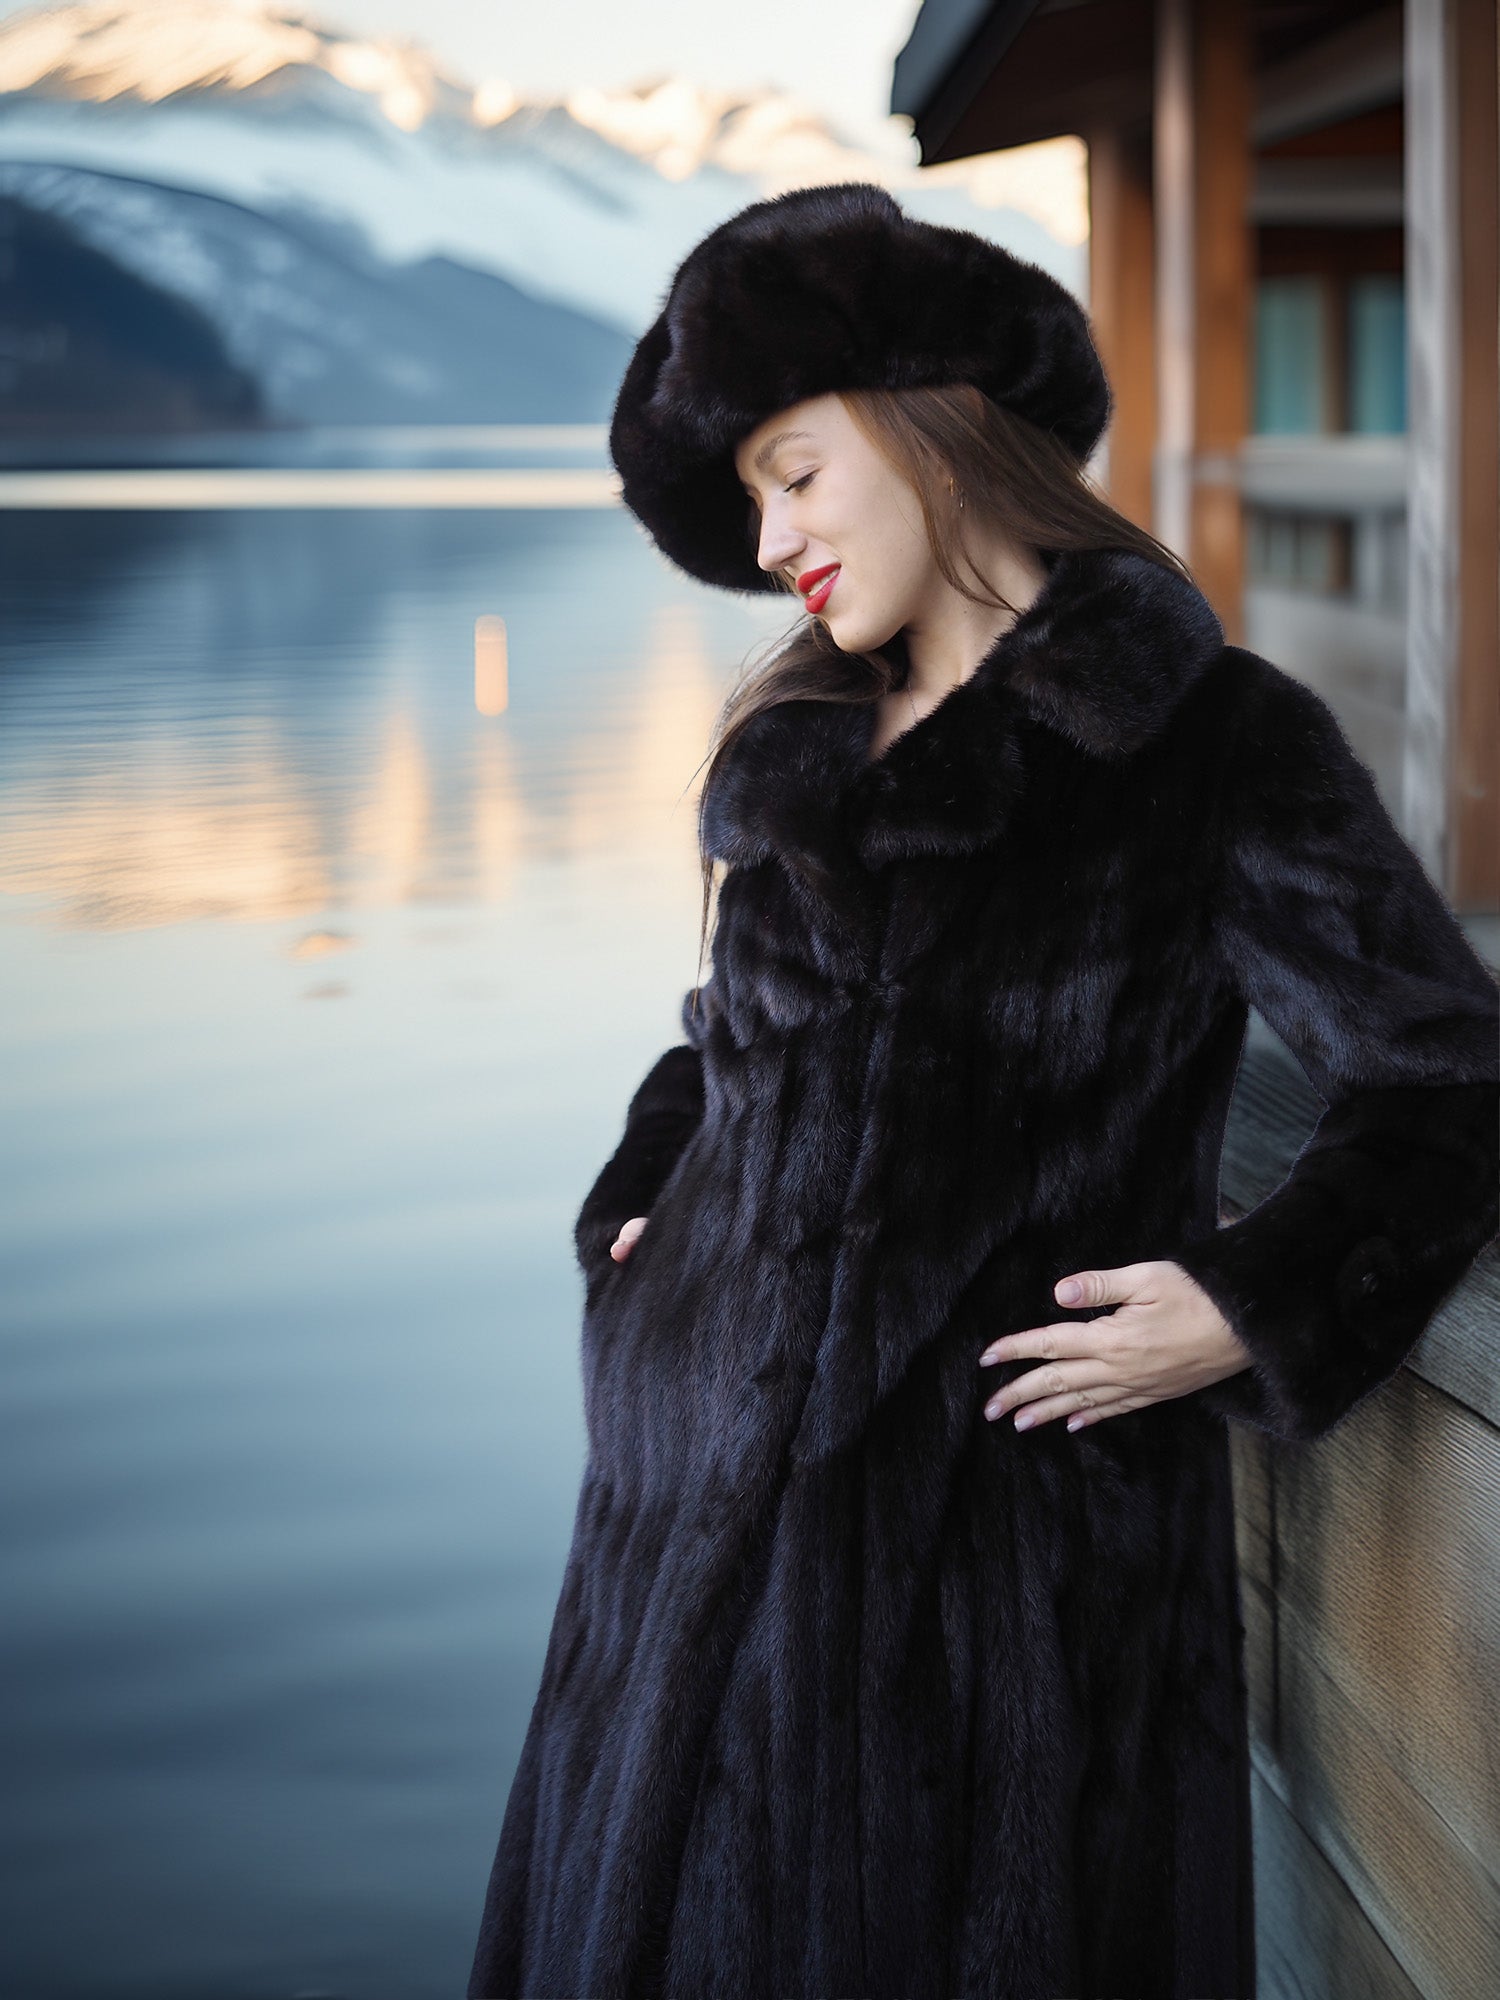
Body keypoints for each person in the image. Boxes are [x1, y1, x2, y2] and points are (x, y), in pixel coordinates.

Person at [465, 182, 1499, 2000]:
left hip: (996, 1598)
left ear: (935, 426)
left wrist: (1247, 1307)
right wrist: (644, 1193)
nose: (774, 533)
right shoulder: (801, 739)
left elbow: (1448, 1072)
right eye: (750, 501)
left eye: (794, 470)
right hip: (671, 1529)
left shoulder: (1200, 739)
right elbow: (726, 1038)